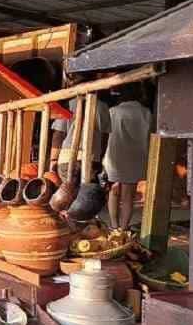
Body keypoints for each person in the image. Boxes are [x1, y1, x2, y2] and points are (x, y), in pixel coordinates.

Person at [103, 83, 153, 230]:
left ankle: (113, 225)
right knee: (128, 196)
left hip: (115, 157)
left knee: (114, 191)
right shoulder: (146, 113)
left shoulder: (113, 111)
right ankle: (124, 228)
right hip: (137, 157)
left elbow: (106, 135)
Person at [50, 75, 111, 181]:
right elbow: (104, 138)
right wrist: (99, 159)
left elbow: (58, 135)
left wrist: (53, 160)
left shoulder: (68, 104)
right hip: (92, 159)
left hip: (67, 159)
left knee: (68, 194)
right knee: (85, 195)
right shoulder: (103, 107)